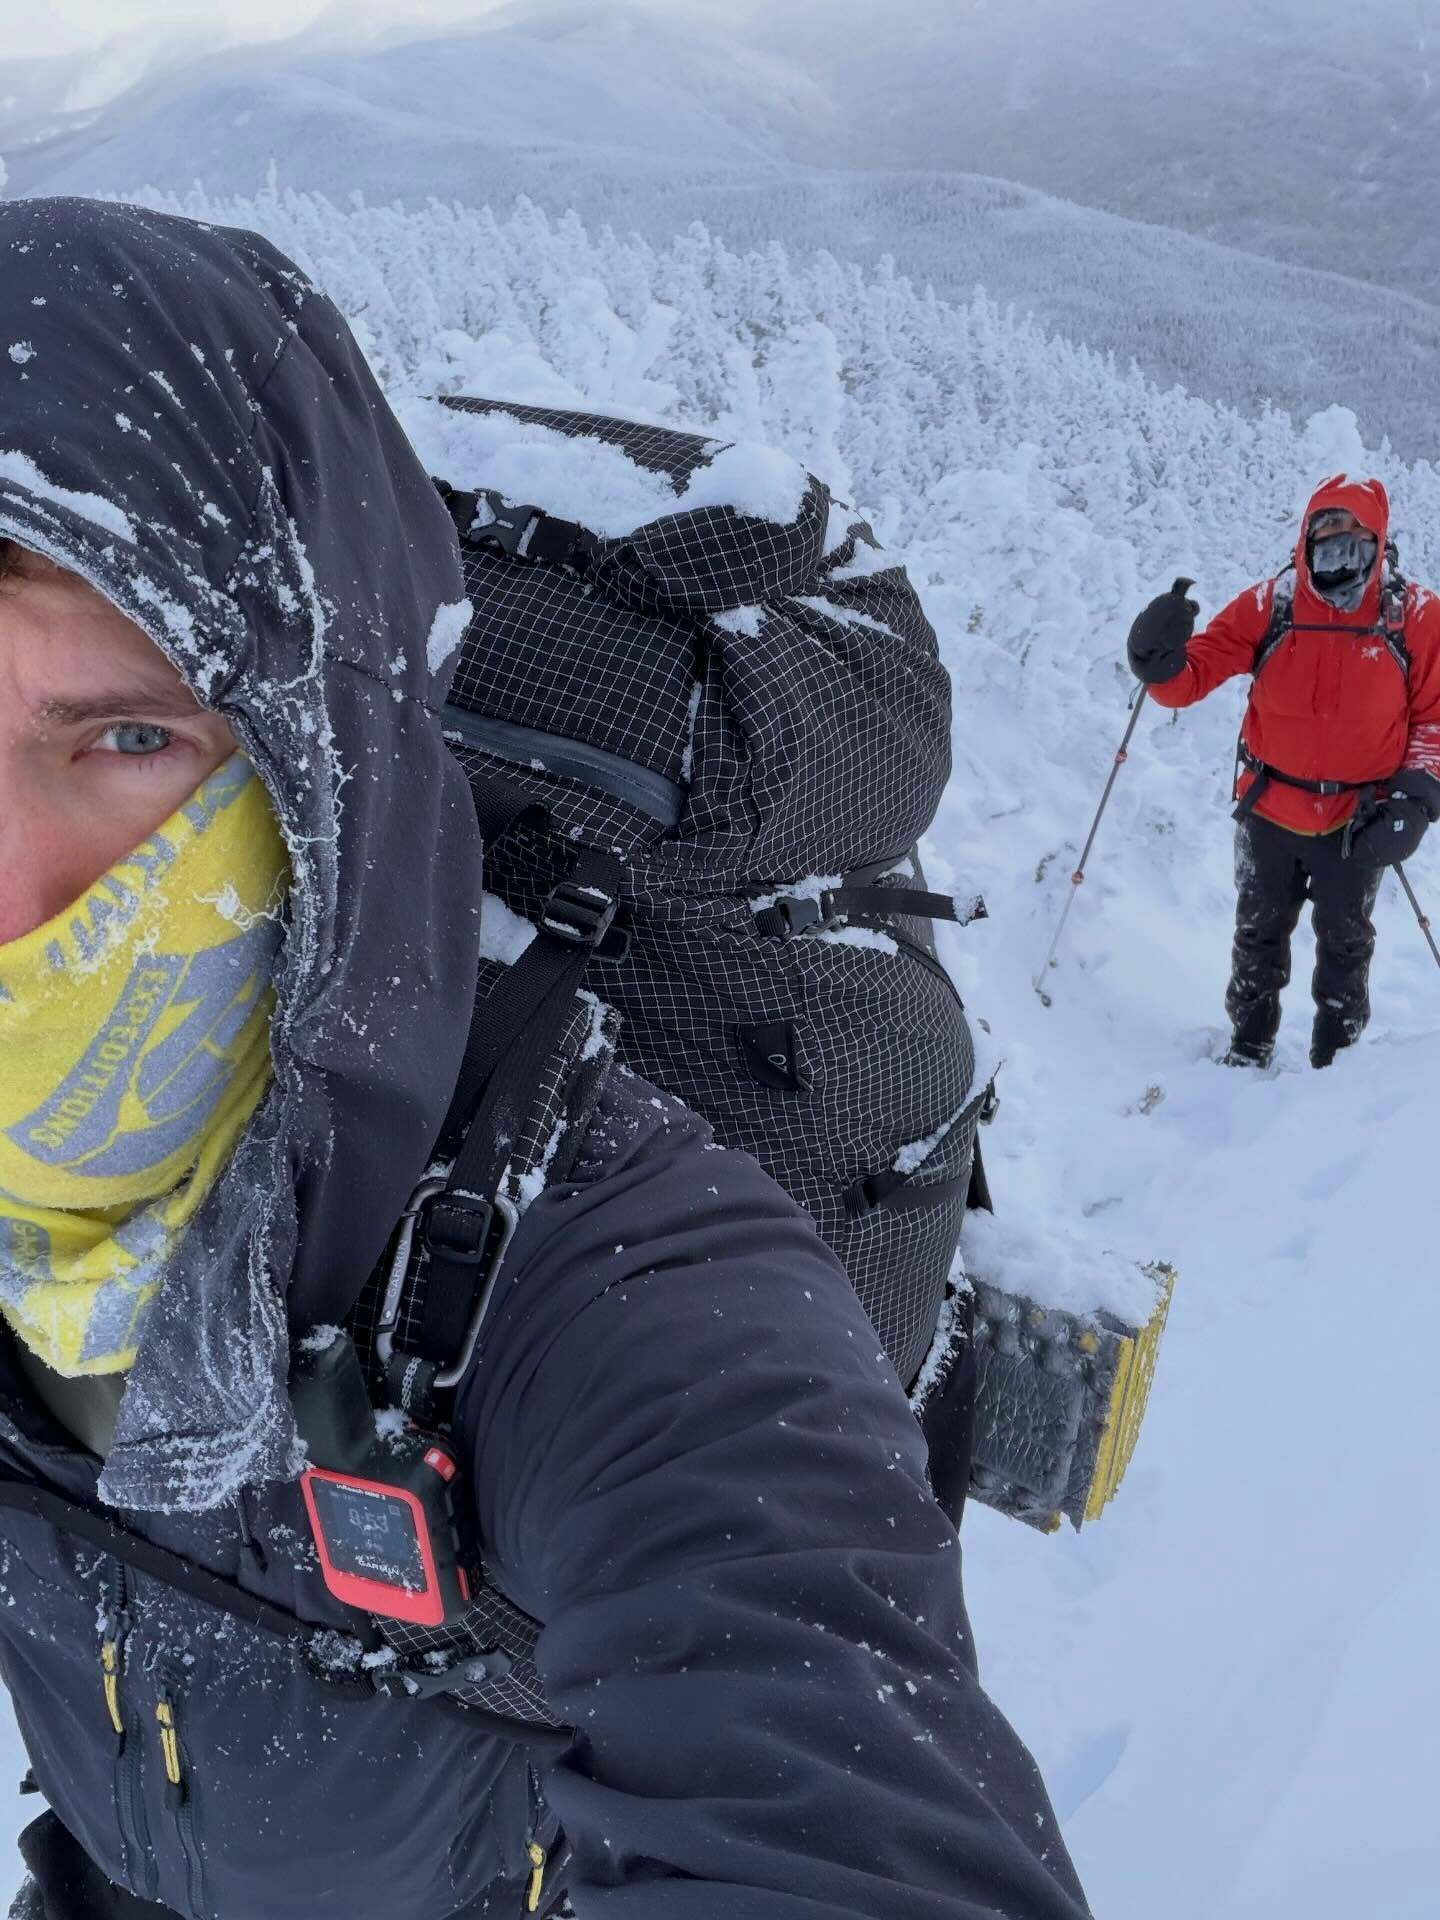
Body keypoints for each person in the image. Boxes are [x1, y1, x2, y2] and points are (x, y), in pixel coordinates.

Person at [0, 198, 1090, 1919]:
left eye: (127, 738)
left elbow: (826, 1785)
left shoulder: (621, 1274)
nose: (15, 893)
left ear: (318, 760)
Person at [1127, 476, 1440, 1068]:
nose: (1339, 549)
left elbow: (1435, 720)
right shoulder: (1270, 604)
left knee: (1347, 945)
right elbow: (1189, 677)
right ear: (1305, 537)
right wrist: (1156, 660)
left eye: (1355, 536)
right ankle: (1247, 1048)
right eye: (1327, 533)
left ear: (1380, 539)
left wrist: (1415, 803)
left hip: (1359, 818)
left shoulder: (1416, 617)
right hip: (1270, 806)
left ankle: (1337, 1060)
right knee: (1257, 938)